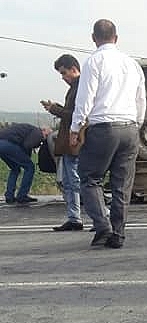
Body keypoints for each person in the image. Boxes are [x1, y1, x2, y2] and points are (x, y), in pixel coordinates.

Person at [69, 19, 146, 249]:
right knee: (122, 184)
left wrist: (75, 128)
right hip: (130, 127)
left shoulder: (93, 61)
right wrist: (137, 124)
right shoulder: (132, 64)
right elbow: (141, 99)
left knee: (89, 178)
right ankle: (118, 234)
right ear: (116, 37)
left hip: (103, 128)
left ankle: (103, 227)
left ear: (93, 38)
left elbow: (85, 98)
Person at [41, 54, 84, 231]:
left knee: (75, 181)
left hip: (74, 141)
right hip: (70, 142)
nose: (63, 77)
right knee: (69, 181)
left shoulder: (80, 88)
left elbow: (77, 115)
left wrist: (55, 109)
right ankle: (75, 218)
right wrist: (57, 108)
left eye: (64, 73)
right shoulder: (76, 87)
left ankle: (102, 214)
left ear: (73, 69)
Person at [0, 123, 51, 205]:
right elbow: (27, 146)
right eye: (47, 135)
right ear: (43, 130)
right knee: (30, 167)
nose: (45, 138)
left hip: (2, 144)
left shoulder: (30, 130)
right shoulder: (38, 133)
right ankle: (22, 196)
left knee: (15, 169)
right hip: (8, 145)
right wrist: (27, 159)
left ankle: (9, 196)